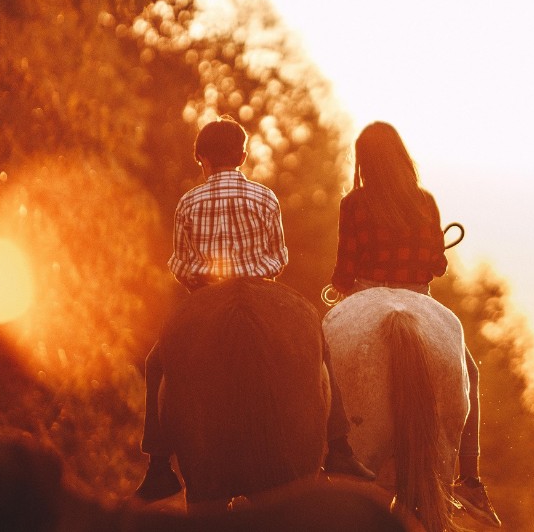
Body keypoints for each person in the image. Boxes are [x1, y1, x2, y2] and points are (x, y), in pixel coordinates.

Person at [136, 116, 374, 502]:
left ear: (202, 159)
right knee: (320, 346)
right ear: (243, 157)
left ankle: (158, 465)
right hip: (263, 286)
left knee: (155, 364)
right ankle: (339, 446)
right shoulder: (265, 198)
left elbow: (181, 264)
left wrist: (202, 287)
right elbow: (277, 258)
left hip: (205, 292)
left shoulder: (188, 202)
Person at [329, 121, 502, 528]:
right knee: (471, 374)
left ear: (364, 161)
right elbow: (437, 266)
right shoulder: (424, 201)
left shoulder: (353, 203)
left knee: (319, 369)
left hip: (364, 290)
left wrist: (342, 287)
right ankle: (470, 480)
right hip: (418, 294)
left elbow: (344, 270)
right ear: (401, 156)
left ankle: (325, 454)